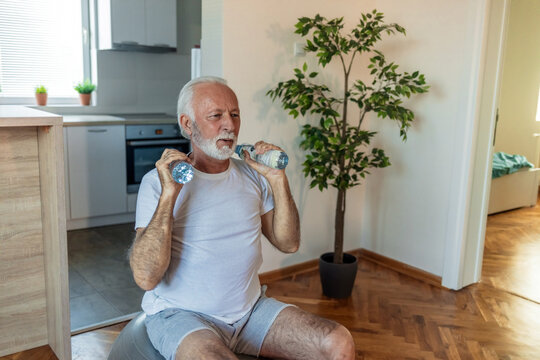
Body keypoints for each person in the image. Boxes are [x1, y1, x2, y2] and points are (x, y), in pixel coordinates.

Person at [129, 76, 355, 360]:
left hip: (250, 312)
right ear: (188, 125)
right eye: (216, 116)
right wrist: (169, 195)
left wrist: (277, 179)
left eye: (235, 114)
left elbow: (288, 243)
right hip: (182, 315)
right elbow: (146, 277)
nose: (230, 125)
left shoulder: (252, 175)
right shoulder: (157, 183)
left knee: (338, 341)